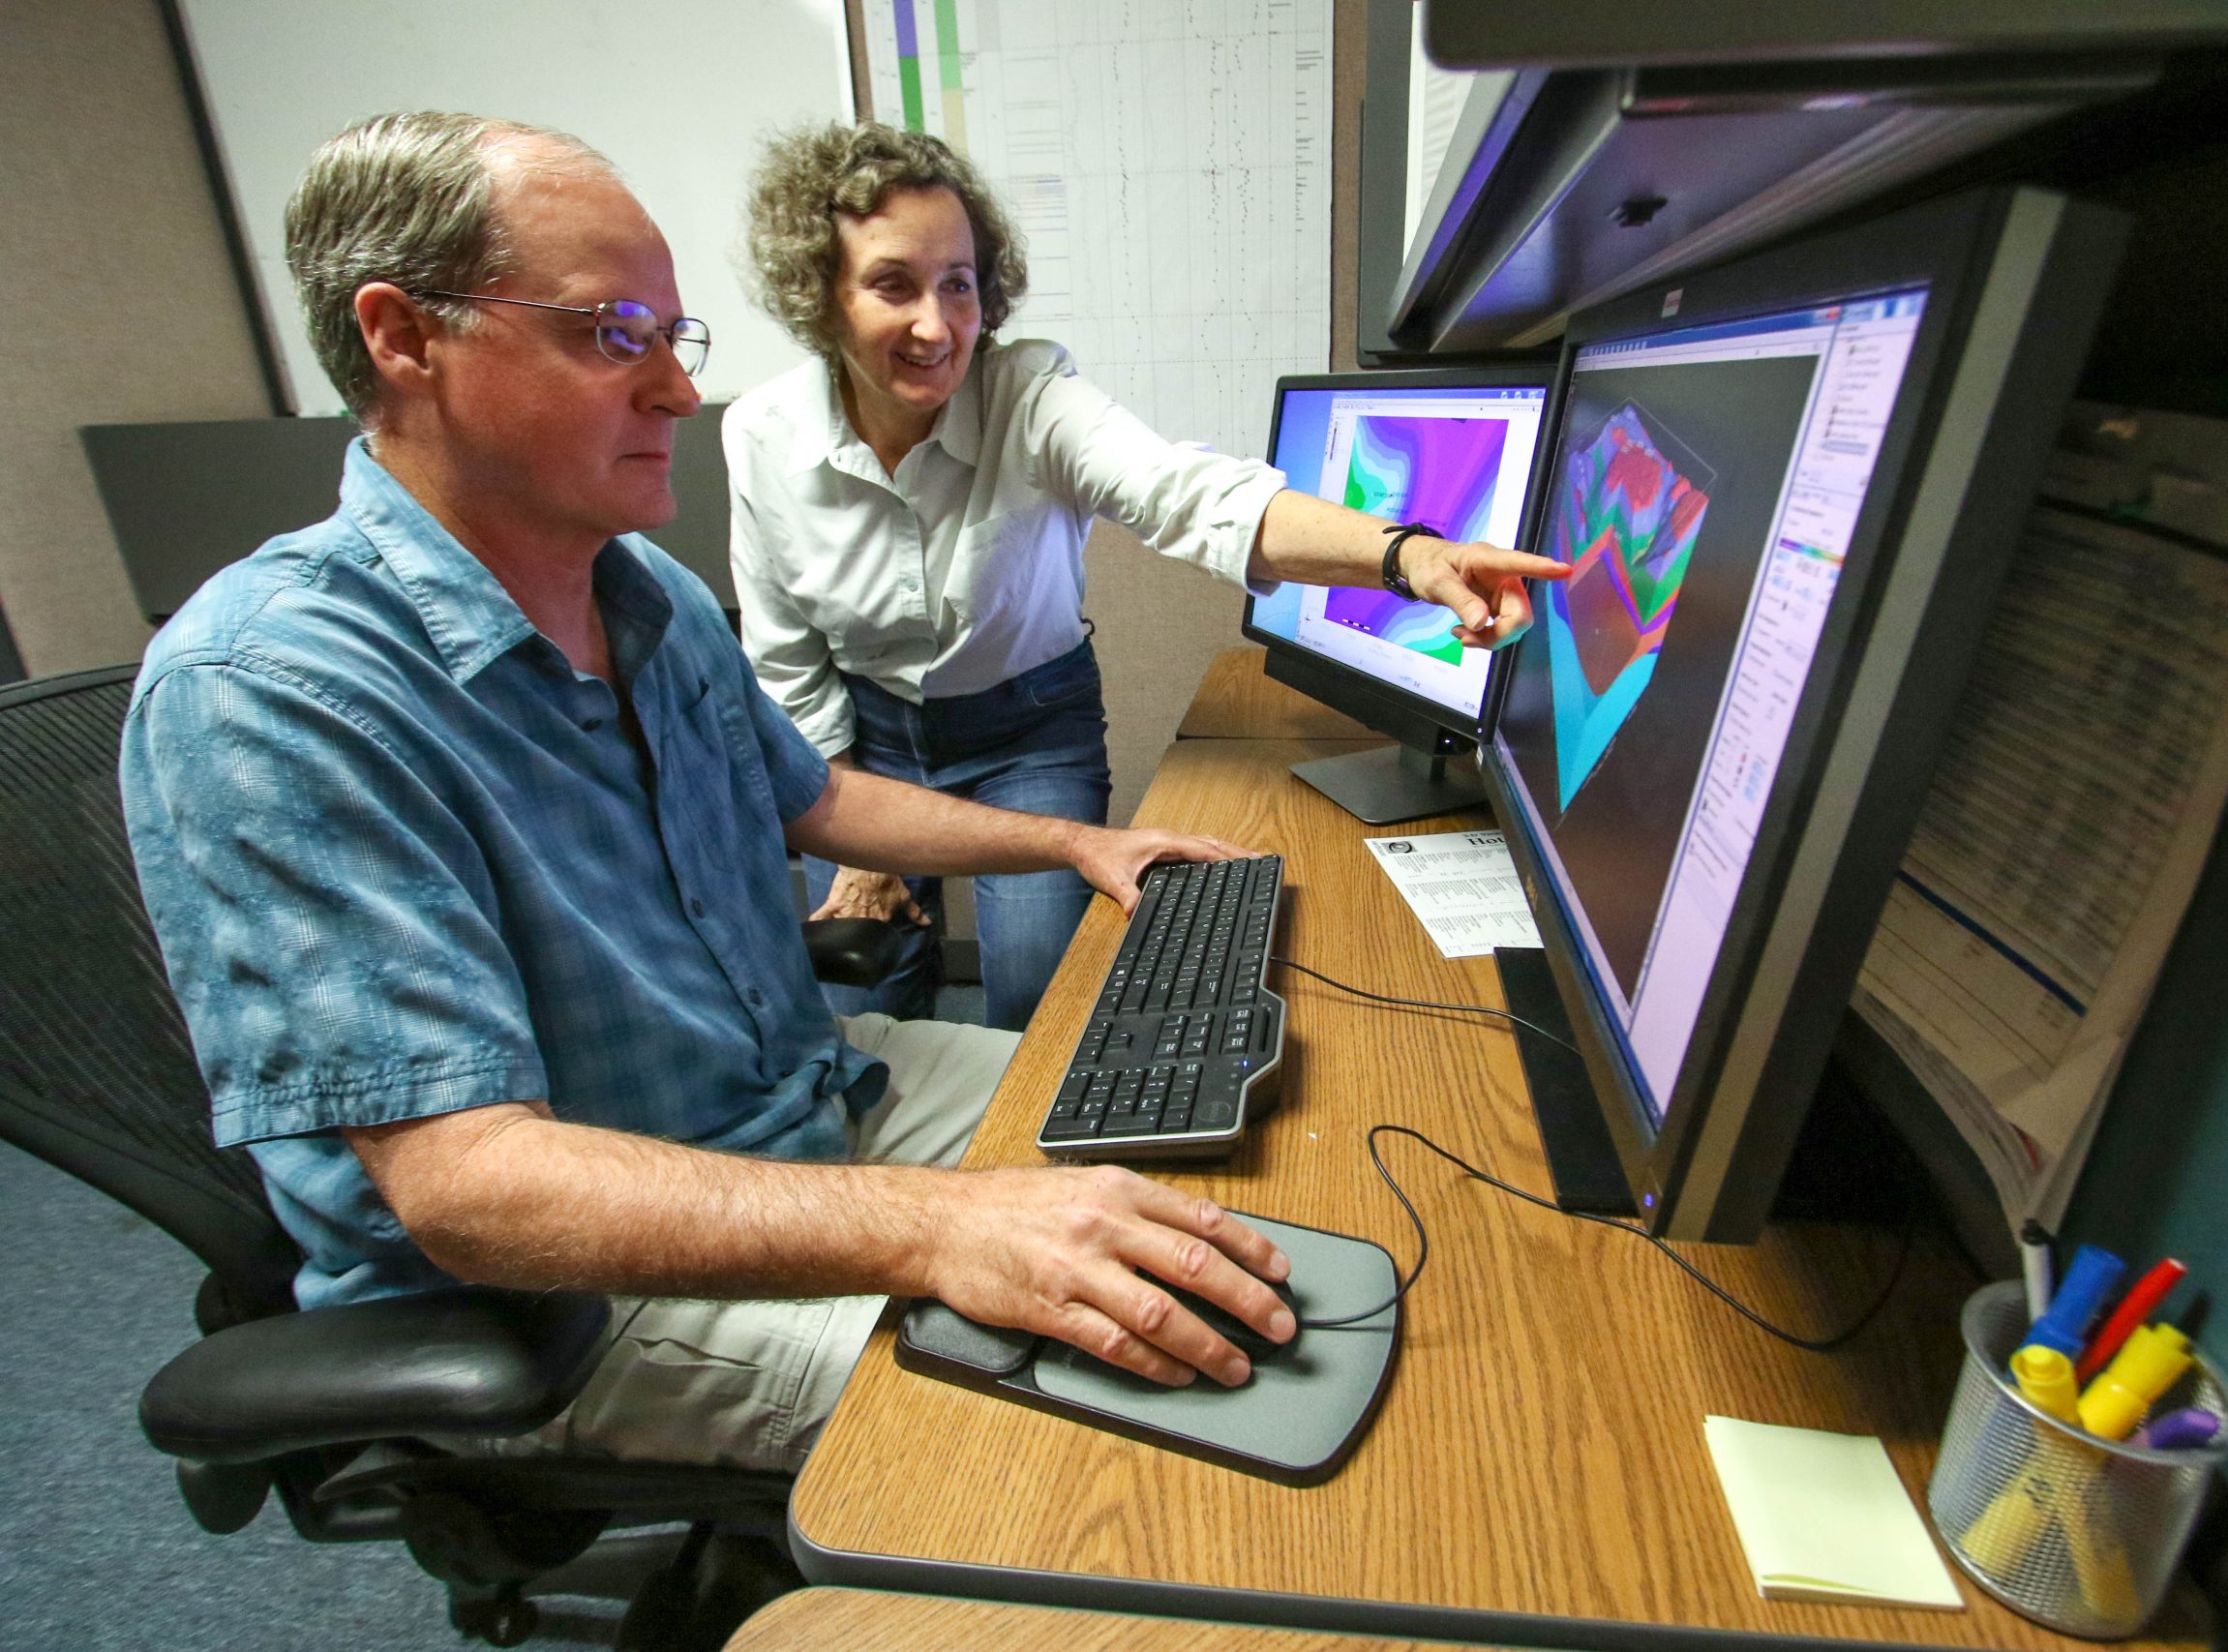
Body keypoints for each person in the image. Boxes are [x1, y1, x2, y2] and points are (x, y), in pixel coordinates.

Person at [120, 110, 1305, 1477]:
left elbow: (818, 798)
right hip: (577, 1291)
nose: (682, 394)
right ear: (404, 336)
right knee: (1149, 1433)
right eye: (611, 333)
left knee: (1218, 1138)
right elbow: (472, 1188)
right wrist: (938, 1225)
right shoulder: (270, 686)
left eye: (670, 340)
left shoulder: (649, 595)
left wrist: (1074, 837)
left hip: (805, 1095)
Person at [726, 123, 1566, 1031]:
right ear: (822, 294)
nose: (937, 325)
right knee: (860, 1008)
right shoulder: (763, 436)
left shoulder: (1031, 395)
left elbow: (1189, 493)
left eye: (958, 285)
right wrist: (852, 833)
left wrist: (1410, 554)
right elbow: (787, 666)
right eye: (894, 284)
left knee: (1041, 1007)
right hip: (859, 743)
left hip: (1026, 732)